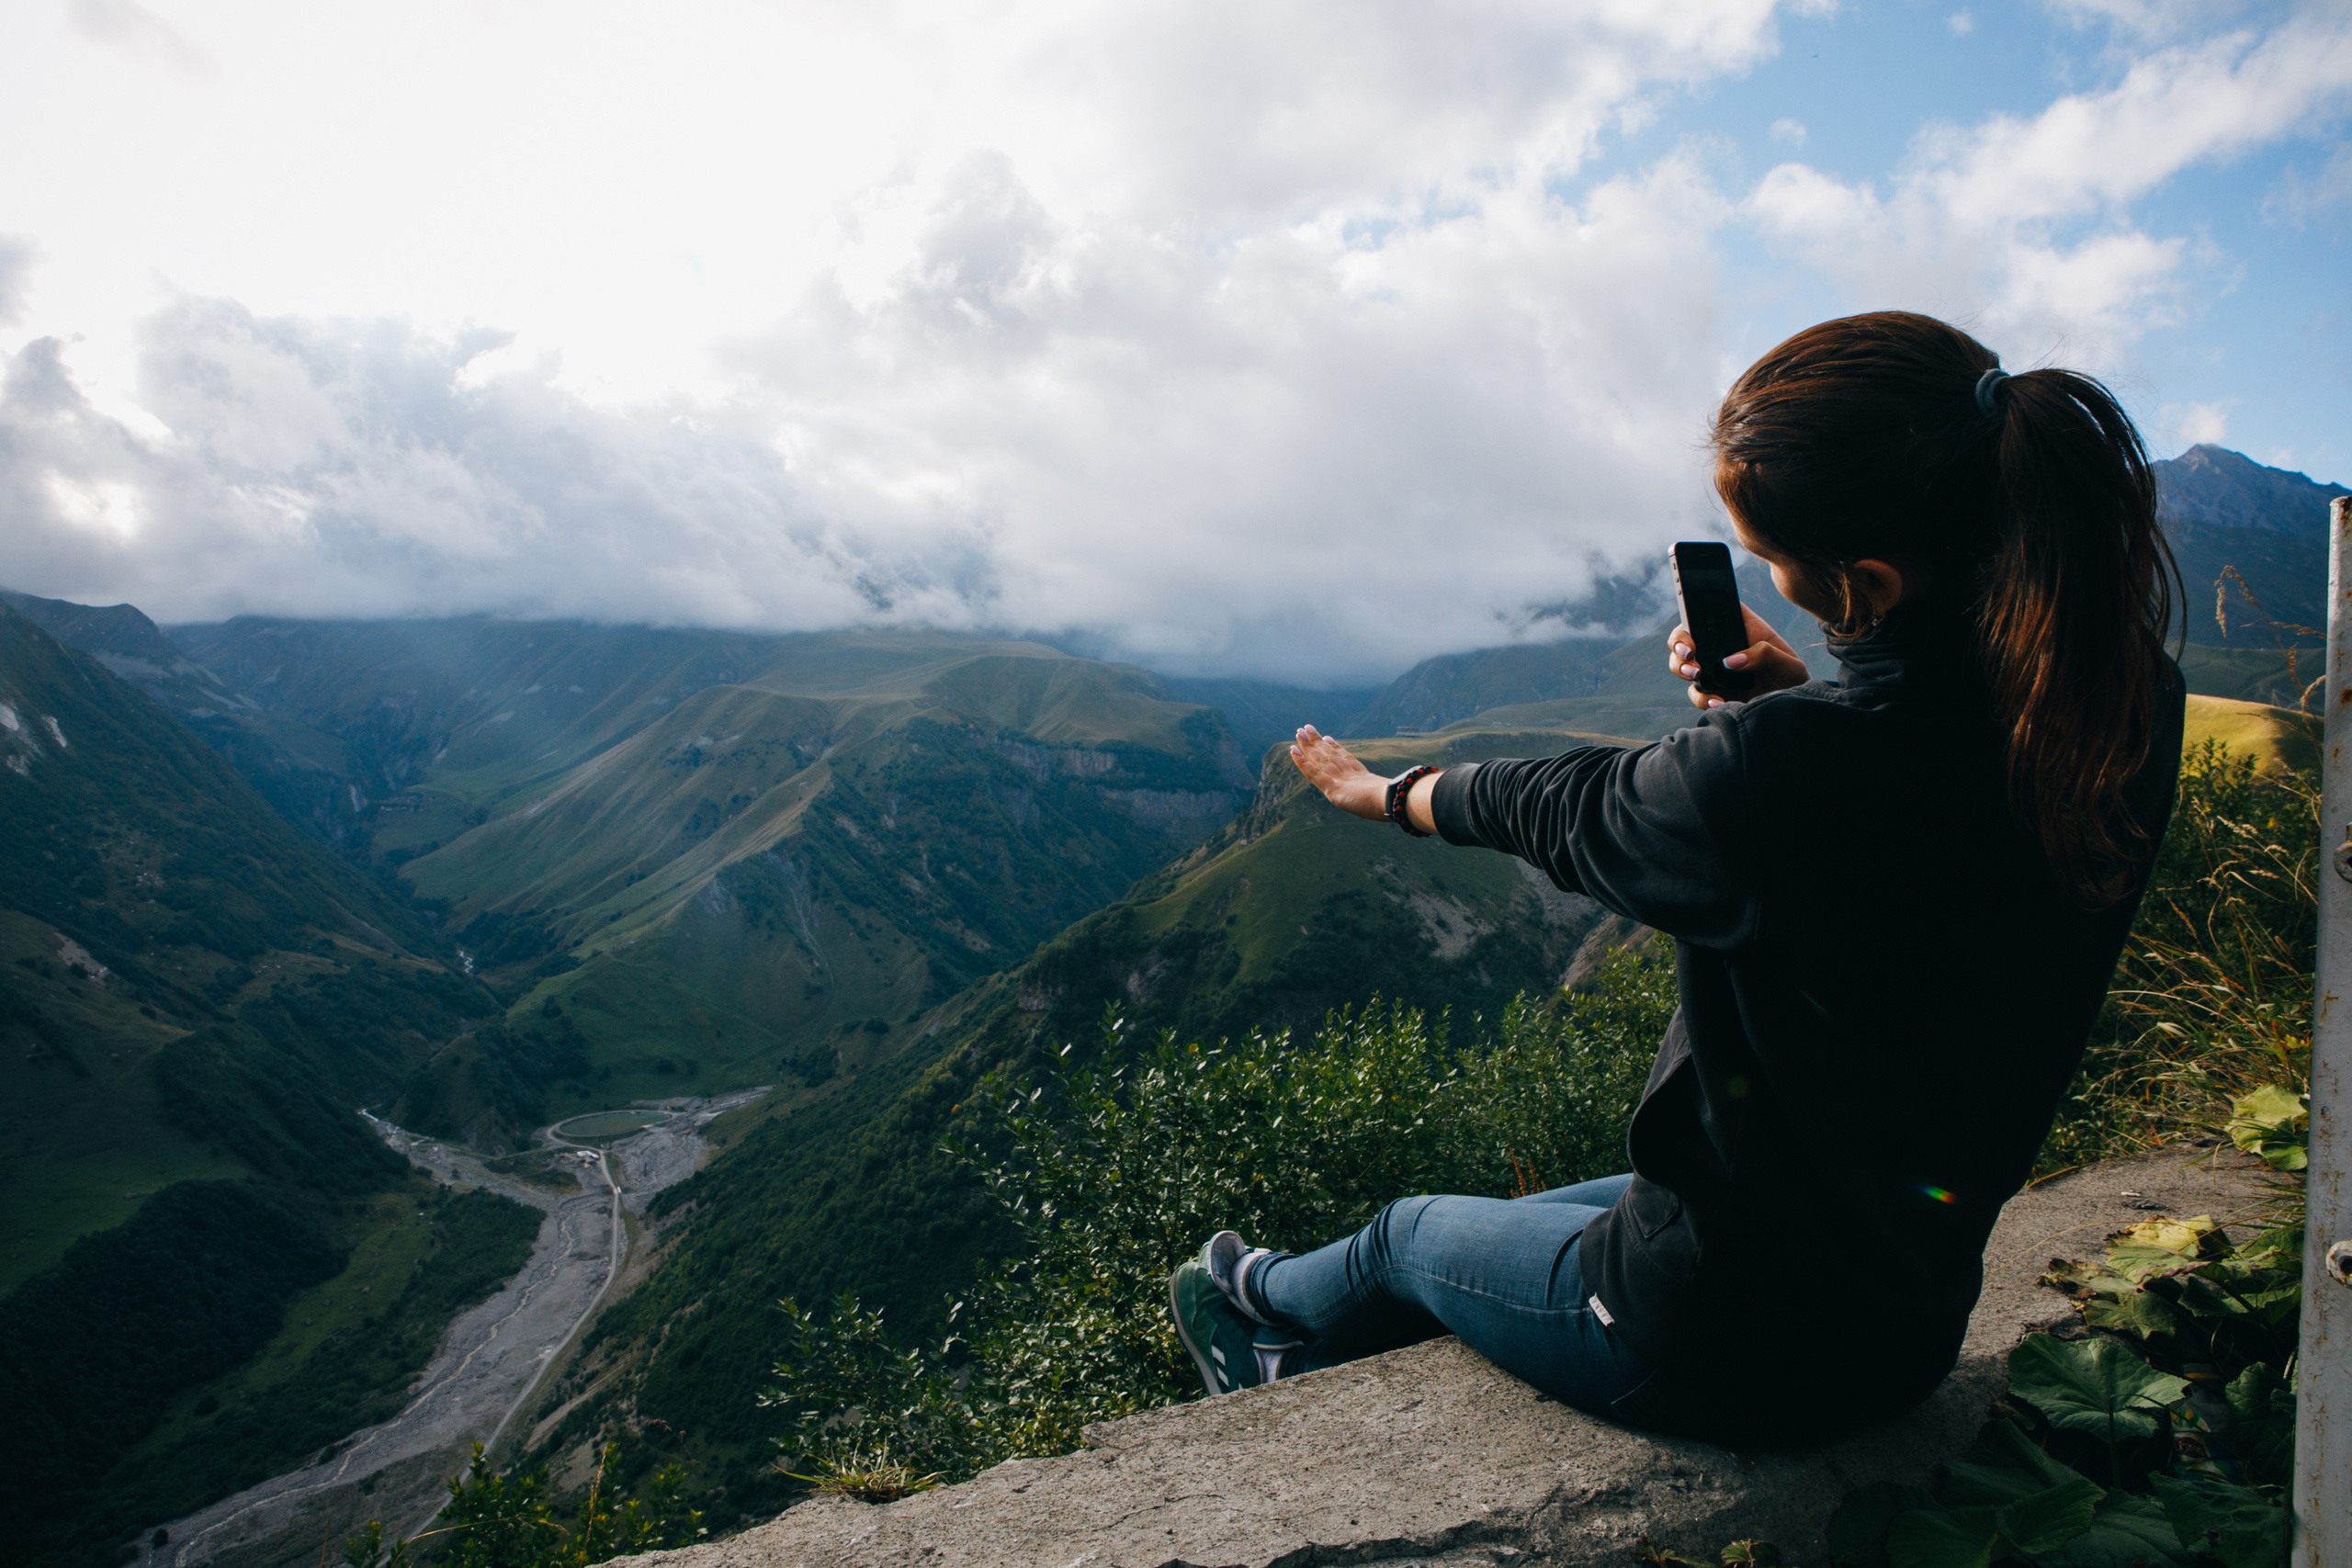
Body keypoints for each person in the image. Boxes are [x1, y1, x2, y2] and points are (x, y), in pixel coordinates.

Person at [1165, 310, 2186, 1448]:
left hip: (1711, 1345)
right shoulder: (2114, 707)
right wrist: (1809, 699)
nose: (1773, 580)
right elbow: (1909, 807)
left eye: (1781, 563)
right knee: (1563, 1206)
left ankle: (1250, 1322)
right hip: (1900, 1309)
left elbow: (1559, 805)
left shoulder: (1775, 780)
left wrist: (1384, 795)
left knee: (1403, 1235)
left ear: (1872, 584)